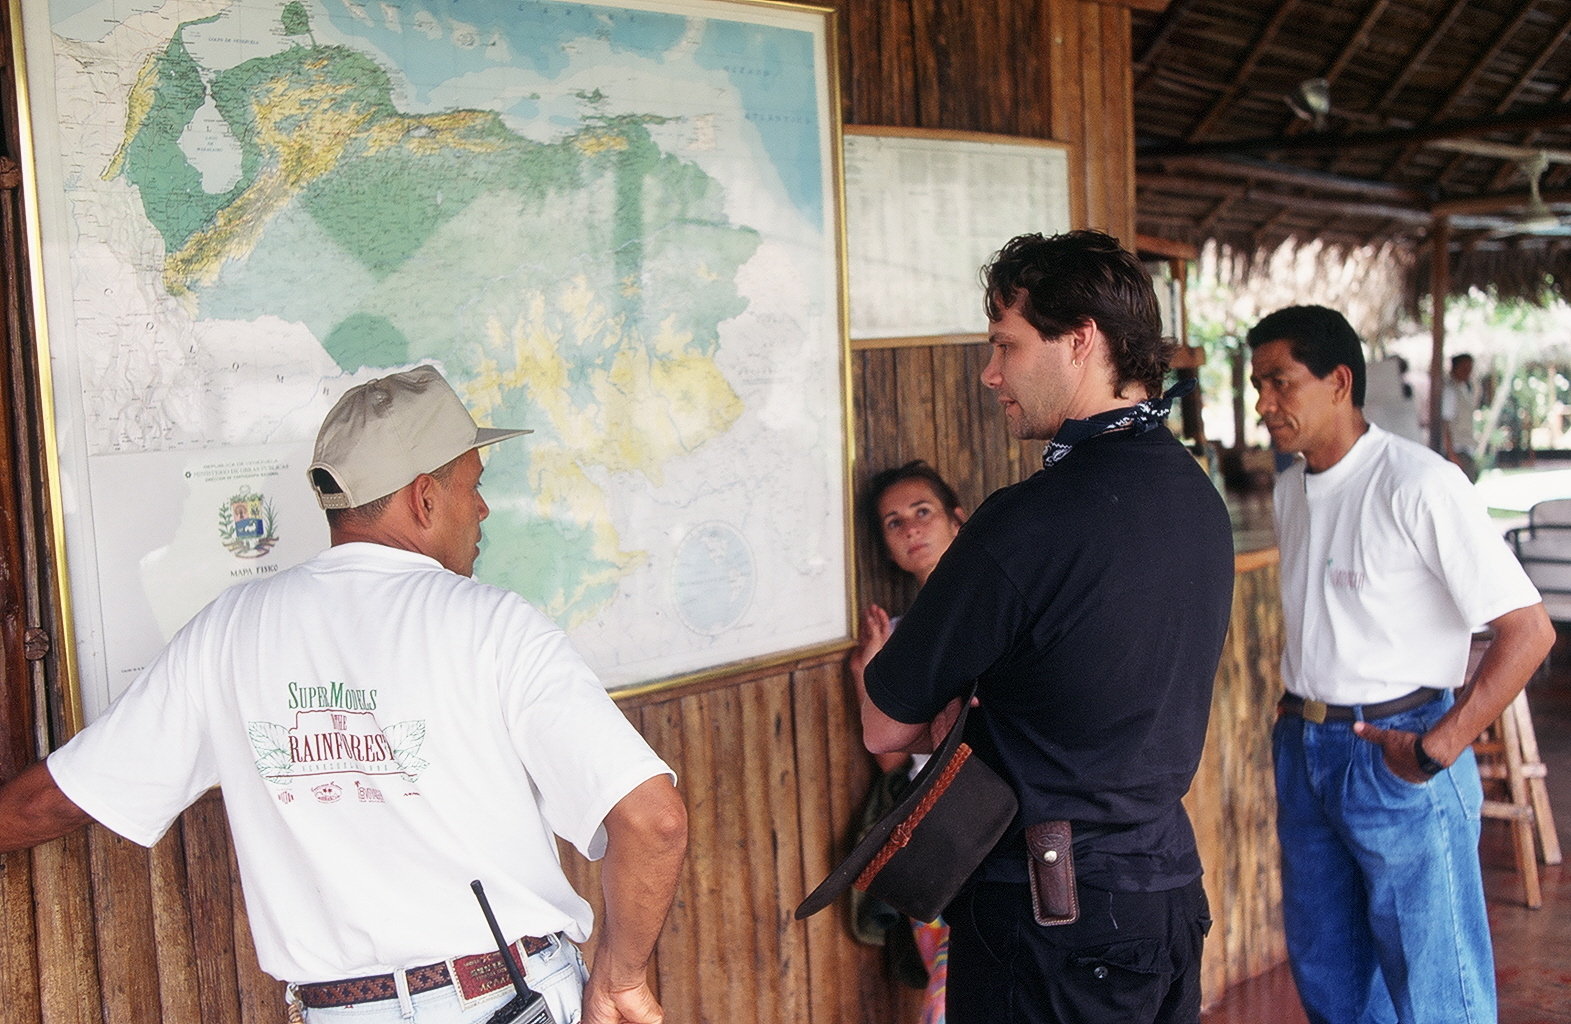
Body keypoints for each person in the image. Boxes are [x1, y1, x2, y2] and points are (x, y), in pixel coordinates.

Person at [0, 366, 688, 1024]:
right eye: (471, 486)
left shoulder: (229, 631)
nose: (480, 508)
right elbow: (653, 819)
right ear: (423, 497)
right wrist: (620, 977)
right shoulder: (492, 625)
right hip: (504, 998)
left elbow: (57, 799)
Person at [853, 230, 1236, 1024]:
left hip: (1049, 922)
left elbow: (885, 721)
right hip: (1163, 893)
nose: (991, 373)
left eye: (1005, 345)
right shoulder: (1193, 495)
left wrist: (889, 667)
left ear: (1081, 341)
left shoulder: (1025, 523)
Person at [1246, 307, 1553, 1024]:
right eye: (1257, 384)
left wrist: (1436, 747)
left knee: (1436, 991)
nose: (1263, 403)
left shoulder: (1417, 482)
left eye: (1279, 382)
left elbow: (1527, 631)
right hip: (1306, 746)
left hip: (1397, 751)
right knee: (1331, 980)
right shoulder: (1291, 486)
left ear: (1339, 381)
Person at [848, 459, 968, 1024]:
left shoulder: (997, 608)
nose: (911, 528)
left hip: (1001, 817)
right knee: (952, 976)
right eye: (894, 523)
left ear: (958, 520)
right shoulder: (893, 636)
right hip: (928, 828)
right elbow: (893, 758)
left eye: (923, 512)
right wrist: (867, 672)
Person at [1441, 352, 1480, 481]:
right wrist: (1452, 455)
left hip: (1466, 448)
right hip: (1457, 449)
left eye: (1469, 368)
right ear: (1455, 368)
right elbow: (1445, 423)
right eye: (1464, 368)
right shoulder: (1450, 391)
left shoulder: (1464, 388)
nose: (1467, 372)